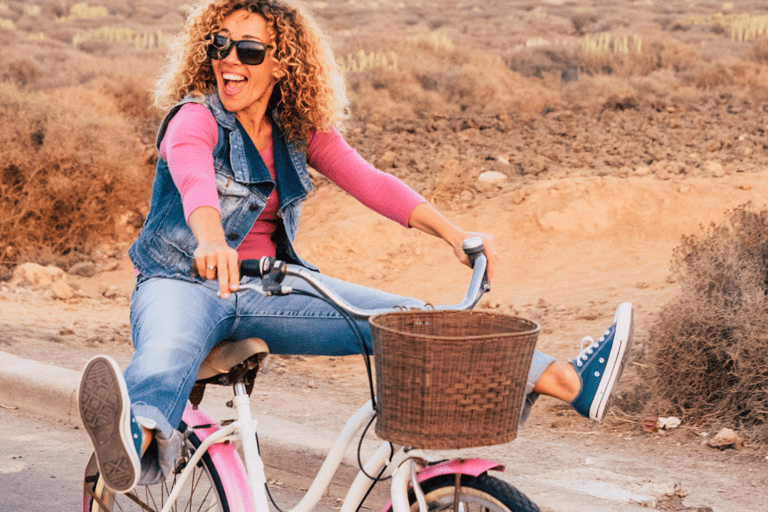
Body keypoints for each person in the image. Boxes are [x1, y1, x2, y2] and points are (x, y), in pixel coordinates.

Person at [77, 0, 633, 495]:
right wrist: (211, 239)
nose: (229, 60)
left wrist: (453, 233)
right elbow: (195, 177)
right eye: (219, 45)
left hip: (271, 285)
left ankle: (566, 381)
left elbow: (370, 180)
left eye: (248, 49)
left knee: (407, 323)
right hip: (182, 281)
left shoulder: (296, 129)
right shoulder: (194, 118)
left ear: (281, 63)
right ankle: (135, 435)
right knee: (168, 351)